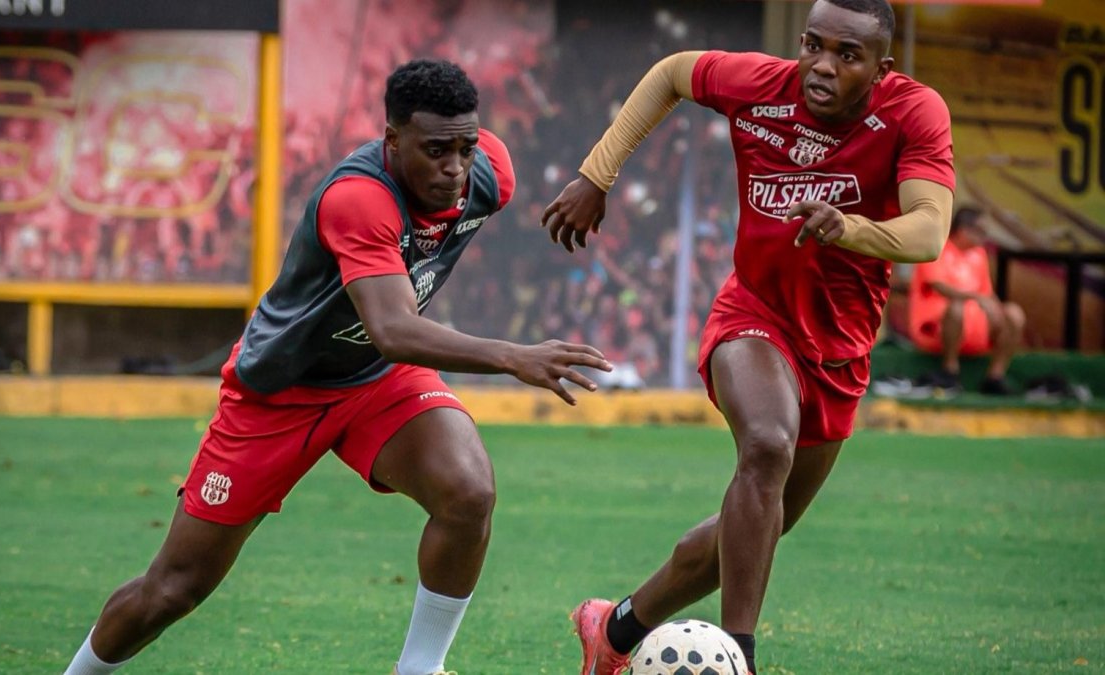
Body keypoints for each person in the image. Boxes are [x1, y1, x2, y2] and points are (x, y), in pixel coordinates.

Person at [63, 59, 611, 675]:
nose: (455, 167)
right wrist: (512, 355)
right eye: (435, 150)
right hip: (281, 393)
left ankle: (419, 671)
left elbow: (391, 339)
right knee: (172, 589)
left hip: (375, 377)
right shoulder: (357, 198)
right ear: (392, 141)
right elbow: (395, 328)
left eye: (465, 147)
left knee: (468, 493)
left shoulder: (490, 174)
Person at [540, 1, 954, 673]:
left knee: (761, 523)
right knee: (765, 445)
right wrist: (597, 172)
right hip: (752, 314)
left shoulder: (914, 113)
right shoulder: (760, 86)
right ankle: (739, 656)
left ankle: (612, 629)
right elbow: (673, 72)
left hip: (840, 348)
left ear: (881, 68)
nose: (821, 66)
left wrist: (846, 226)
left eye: (845, 56)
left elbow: (929, 229)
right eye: (812, 46)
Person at [908, 205, 1025, 395]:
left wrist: (995, 309)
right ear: (963, 229)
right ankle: (949, 372)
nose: (985, 236)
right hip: (934, 330)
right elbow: (939, 286)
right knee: (956, 307)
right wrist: (974, 297)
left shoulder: (979, 253)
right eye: (981, 230)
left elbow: (986, 292)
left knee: (1014, 312)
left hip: (975, 330)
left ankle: (995, 377)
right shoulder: (936, 247)